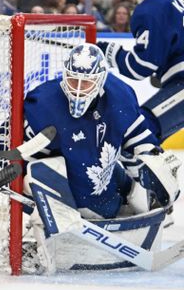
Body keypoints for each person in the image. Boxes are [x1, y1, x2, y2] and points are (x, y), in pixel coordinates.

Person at [17, 43, 179, 272]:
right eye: (74, 81)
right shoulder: (44, 105)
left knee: (149, 182)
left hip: (109, 177)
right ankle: (47, 240)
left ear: (101, 80)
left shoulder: (119, 95)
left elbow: (141, 139)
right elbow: (28, 161)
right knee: (38, 174)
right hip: (77, 196)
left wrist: (156, 167)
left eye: (87, 83)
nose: (79, 90)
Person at [96, 0, 184, 142]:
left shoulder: (149, 11)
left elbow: (140, 68)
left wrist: (110, 51)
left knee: (140, 131)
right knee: (149, 134)